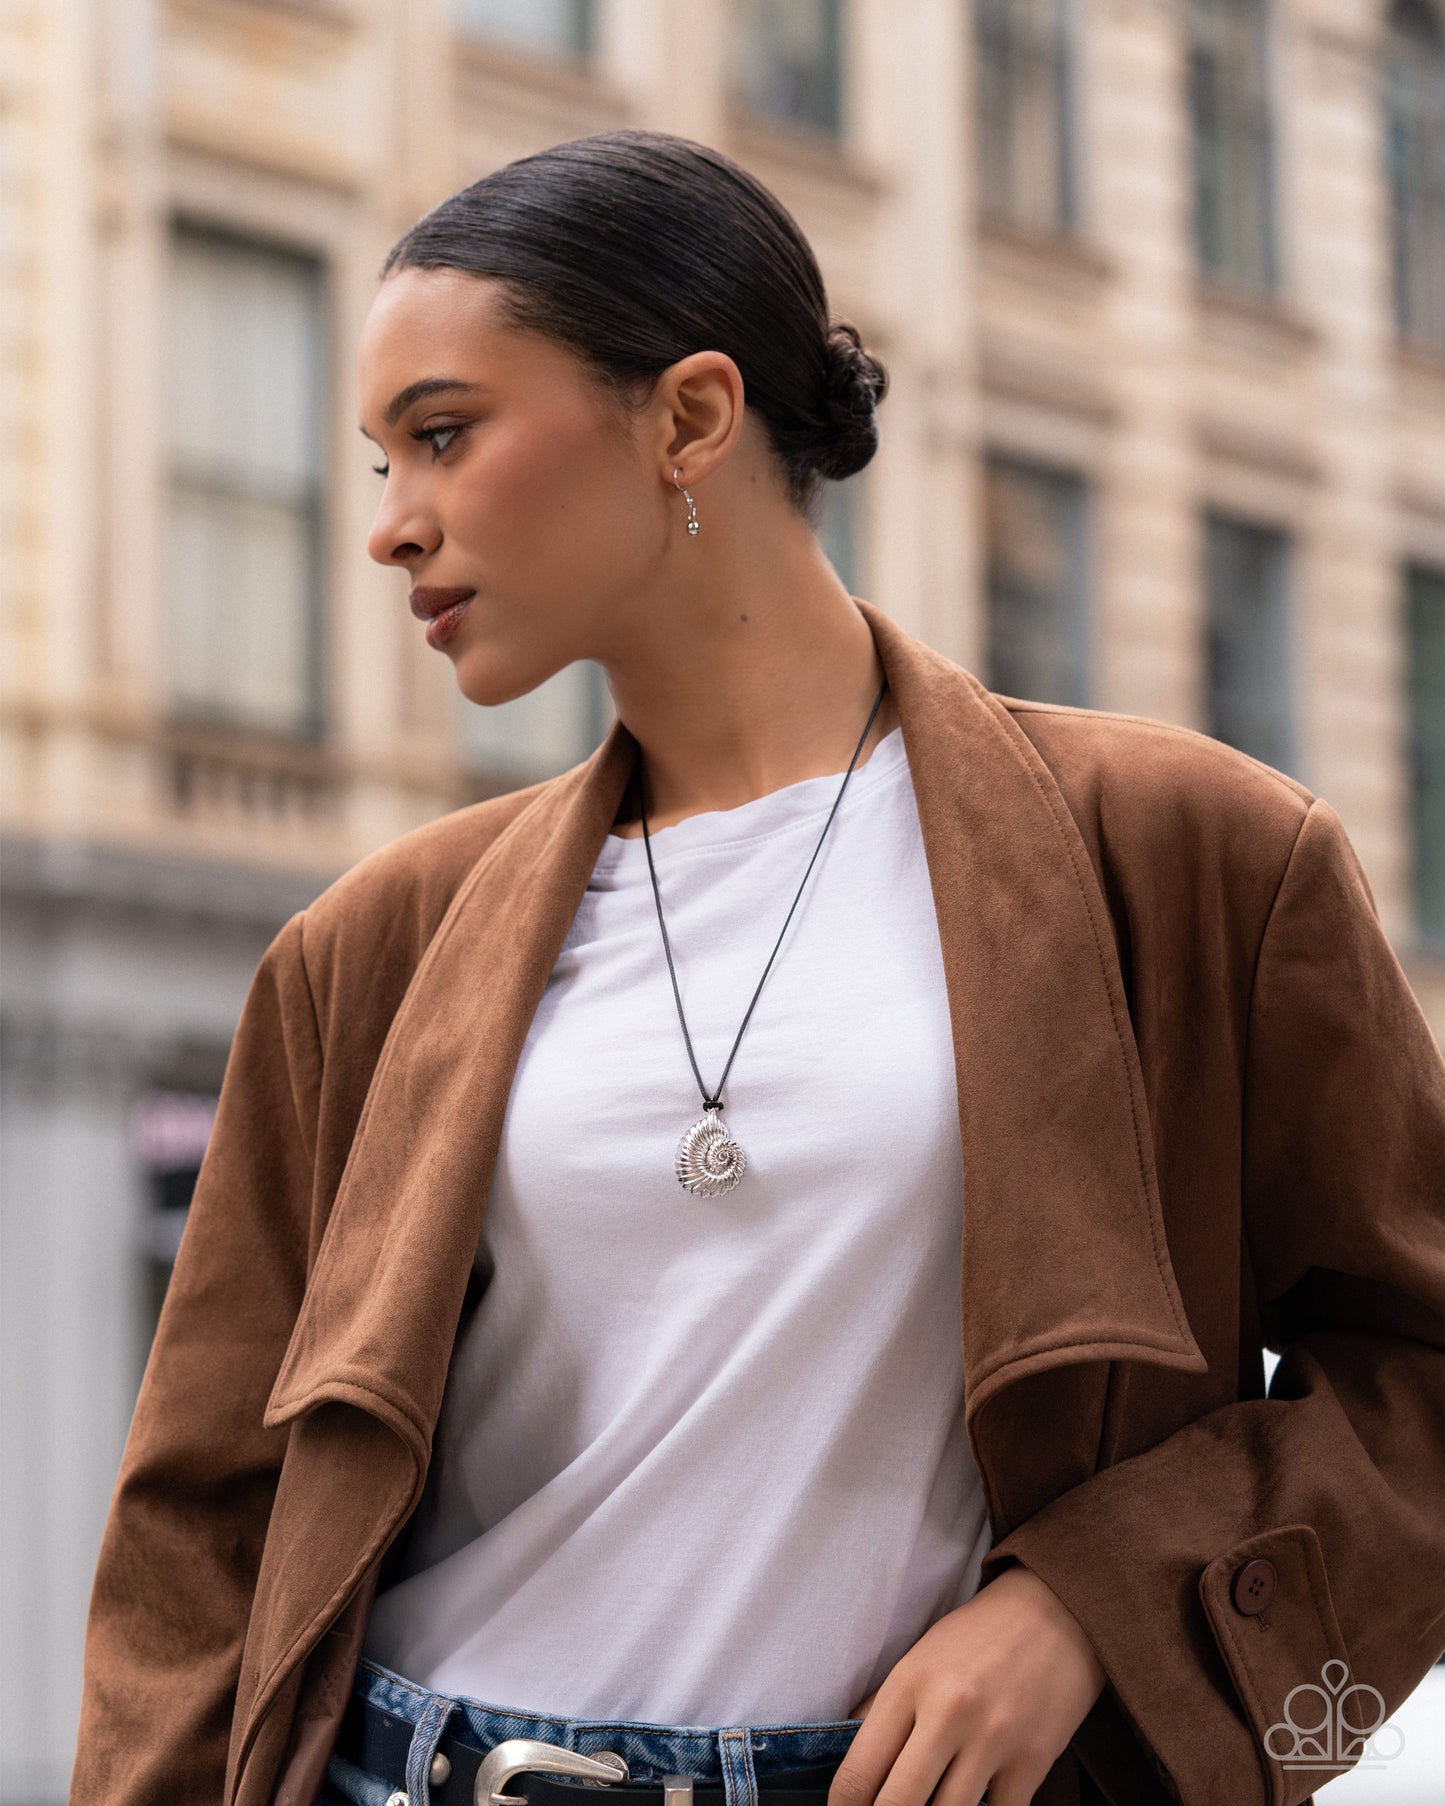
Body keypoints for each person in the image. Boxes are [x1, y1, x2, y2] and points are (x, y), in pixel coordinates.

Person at [70, 129, 1444, 1806]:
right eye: (379, 462)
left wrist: (1099, 1606)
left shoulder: (1190, 856)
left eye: (442, 434)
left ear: (690, 418)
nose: (391, 525)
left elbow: (1418, 1378)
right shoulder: (367, 950)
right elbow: (197, 1538)